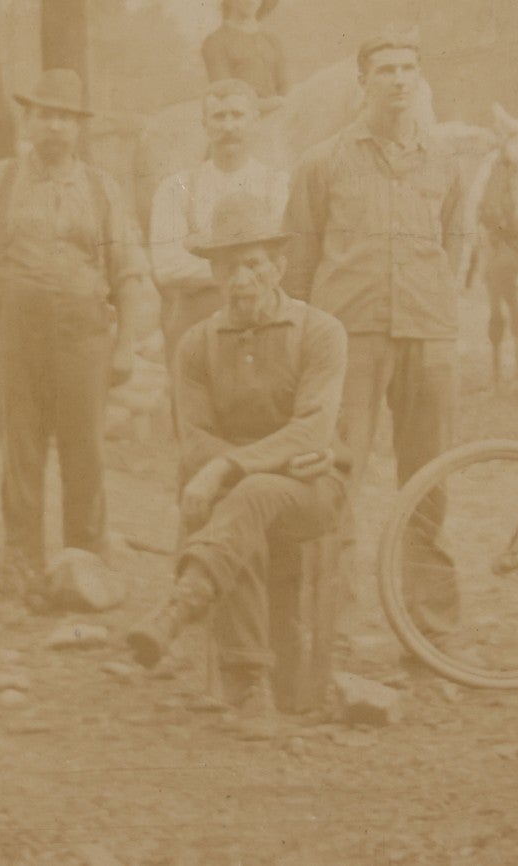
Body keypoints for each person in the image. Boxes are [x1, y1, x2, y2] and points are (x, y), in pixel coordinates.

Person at [0, 69, 157, 568]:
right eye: (46, 116)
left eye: (65, 119)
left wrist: (127, 345)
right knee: (21, 449)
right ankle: (21, 563)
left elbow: (129, 271)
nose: (55, 128)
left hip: (84, 335)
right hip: (17, 334)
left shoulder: (101, 189)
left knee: (85, 451)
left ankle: (83, 560)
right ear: (29, 120)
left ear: (78, 128)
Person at [124, 191, 349, 723]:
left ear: (279, 267)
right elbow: (196, 436)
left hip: (314, 488)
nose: (241, 280)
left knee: (239, 491)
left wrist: (231, 465)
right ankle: (252, 685)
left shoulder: (320, 332)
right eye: (228, 267)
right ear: (214, 275)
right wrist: (242, 467)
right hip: (249, 490)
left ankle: (185, 610)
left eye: (252, 264)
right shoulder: (197, 345)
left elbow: (313, 430)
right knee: (243, 499)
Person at [280, 29, 464, 638]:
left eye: (409, 69)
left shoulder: (444, 160)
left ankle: (429, 626)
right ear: (363, 82)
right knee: (336, 475)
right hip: (348, 337)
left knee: (429, 477)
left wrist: (438, 305)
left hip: (427, 337)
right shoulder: (322, 162)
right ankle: (329, 623)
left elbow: (459, 241)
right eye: (385, 70)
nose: (399, 81)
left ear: (421, 79)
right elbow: (299, 266)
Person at [148, 79, 290, 374]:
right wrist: (249, 270)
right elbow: (167, 267)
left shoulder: (277, 186)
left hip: (262, 326)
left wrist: (208, 261)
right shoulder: (176, 188)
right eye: (219, 116)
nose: (228, 126)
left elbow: (282, 261)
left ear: (256, 121)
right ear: (204, 124)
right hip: (194, 329)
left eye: (237, 115)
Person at [201, 0, 288, 113]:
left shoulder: (271, 40)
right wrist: (271, 105)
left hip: (278, 119)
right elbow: (226, 96)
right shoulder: (216, 41)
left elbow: (285, 86)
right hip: (238, 123)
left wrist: (284, 103)